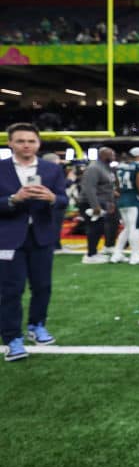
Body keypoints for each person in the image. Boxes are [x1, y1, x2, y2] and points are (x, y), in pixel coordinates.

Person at [0, 123, 68, 362]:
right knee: (11, 290)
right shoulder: (1, 168)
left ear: (38, 143)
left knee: (42, 286)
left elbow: (63, 199)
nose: (26, 145)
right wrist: (12, 199)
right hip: (8, 237)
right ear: (10, 143)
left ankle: (37, 325)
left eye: (31, 141)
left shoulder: (51, 169)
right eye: (20, 141)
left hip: (42, 236)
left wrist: (52, 198)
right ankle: (11, 338)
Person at [111, 147, 139, 264]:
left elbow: (117, 185)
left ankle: (117, 253)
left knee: (128, 228)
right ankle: (135, 256)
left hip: (123, 200)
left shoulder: (120, 166)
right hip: (135, 200)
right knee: (135, 228)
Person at [79, 147, 117, 263]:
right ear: (103, 155)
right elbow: (89, 188)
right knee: (93, 228)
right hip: (91, 203)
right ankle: (90, 255)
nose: (114, 157)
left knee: (99, 228)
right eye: (111, 155)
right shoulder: (94, 168)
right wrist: (95, 206)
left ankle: (94, 252)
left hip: (103, 202)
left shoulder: (106, 168)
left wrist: (110, 202)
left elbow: (107, 187)